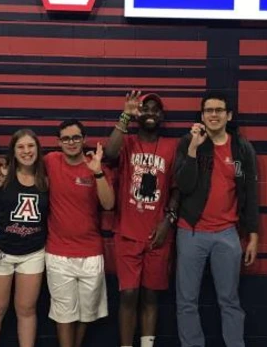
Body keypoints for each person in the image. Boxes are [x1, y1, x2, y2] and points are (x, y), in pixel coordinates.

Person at [172, 91, 259, 347]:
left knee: (229, 300)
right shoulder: (188, 142)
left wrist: (253, 236)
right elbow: (184, 185)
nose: (213, 115)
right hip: (191, 231)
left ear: (228, 115)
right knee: (186, 301)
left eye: (219, 110)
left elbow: (251, 195)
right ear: (202, 115)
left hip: (227, 234)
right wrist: (192, 149)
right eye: (208, 110)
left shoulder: (242, 149)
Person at [104, 91, 179, 347]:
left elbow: (177, 189)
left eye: (155, 109)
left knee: (150, 297)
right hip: (127, 232)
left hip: (158, 234)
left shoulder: (172, 147)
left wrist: (168, 221)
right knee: (128, 295)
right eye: (145, 108)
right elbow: (110, 154)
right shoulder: (127, 142)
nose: (150, 112)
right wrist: (125, 115)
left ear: (162, 116)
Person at [44, 119, 116, 347]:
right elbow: (22, 162)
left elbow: (108, 204)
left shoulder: (96, 166)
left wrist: (97, 174)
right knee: (64, 316)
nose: (71, 142)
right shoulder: (50, 161)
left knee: (87, 315)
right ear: (59, 142)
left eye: (76, 137)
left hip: (91, 253)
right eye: (66, 138)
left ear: (84, 139)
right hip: (58, 253)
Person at [0, 129, 50, 347]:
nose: (26, 151)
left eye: (31, 146)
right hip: (2, 251)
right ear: (13, 150)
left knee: (27, 310)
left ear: (38, 149)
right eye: (20, 147)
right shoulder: (1, 174)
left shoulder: (46, 179)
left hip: (33, 252)